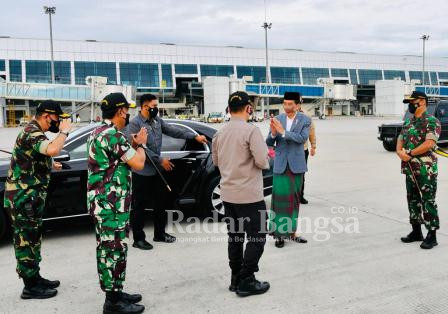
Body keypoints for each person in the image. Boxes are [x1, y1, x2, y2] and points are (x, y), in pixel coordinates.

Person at [4, 100, 71, 299]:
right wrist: (64, 132)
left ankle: (35, 277)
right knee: (25, 241)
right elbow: (51, 148)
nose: (58, 122)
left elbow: (39, 155)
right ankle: (29, 287)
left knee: (33, 239)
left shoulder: (35, 132)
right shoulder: (31, 132)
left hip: (30, 198)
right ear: (46, 116)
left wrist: (50, 163)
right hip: (23, 198)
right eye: (57, 119)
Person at [87, 92, 147, 314]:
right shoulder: (113, 135)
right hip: (111, 206)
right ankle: (112, 302)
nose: (128, 113)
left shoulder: (98, 131)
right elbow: (139, 163)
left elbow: (115, 161)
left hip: (106, 204)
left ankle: (116, 292)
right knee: (112, 250)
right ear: (120, 111)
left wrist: (131, 144)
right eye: (126, 109)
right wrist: (140, 144)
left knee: (112, 249)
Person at [127, 93, 207, 250]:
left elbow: (173, 130)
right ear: (144, 107)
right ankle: (138, 238)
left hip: (158, 172)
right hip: (142, 171)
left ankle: (159, 233)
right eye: (154, 106)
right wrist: (160, 160)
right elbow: (140, 148)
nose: (156, 109)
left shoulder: (157, 121)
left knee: (161, 202)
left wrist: (194, 136)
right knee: (139, 206)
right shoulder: (134, 124)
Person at [212, 91, 270, 297]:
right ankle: (247, 279)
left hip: (228, 196)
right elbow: (263, 162)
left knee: (235, 238)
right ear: (248, 108)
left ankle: (235, 278)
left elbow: (217, 162)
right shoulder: (251, 131)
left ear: (228, 109)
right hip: (250, 197)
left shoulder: (219, 133)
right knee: (257, 237)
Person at [266, 92, 311, 248]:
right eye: (284, 103)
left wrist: (283, 132)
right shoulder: (278, 119)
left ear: (298, 105)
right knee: (279, 202)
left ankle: (292, 232)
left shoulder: (305, 119)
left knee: (294, 201)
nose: (286, 107)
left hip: (296, 165)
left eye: (290, 104)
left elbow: (302, 139)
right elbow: (269, 141)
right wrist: (273, 133)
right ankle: (279, 234)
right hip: (280, 164)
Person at [397, 91, 441, 250]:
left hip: (425, 170)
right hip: (409, 168)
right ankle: (416, 231)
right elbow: (400, 139)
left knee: (427, 200)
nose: (410, 104)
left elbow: (429, 143)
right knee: (412, 199)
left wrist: (409, 154)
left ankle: (432, 235)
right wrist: (400, 152)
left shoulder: (431, 121)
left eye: (412, 101)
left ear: (422, 102)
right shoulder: (408, 122)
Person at [299, 101, 316, 205]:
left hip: (303, 150)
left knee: (301, 174)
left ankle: (300, 195)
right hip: (290, 150)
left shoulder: (306, 115)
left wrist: (313, 145)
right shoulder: (286, 115)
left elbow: (312, 130)